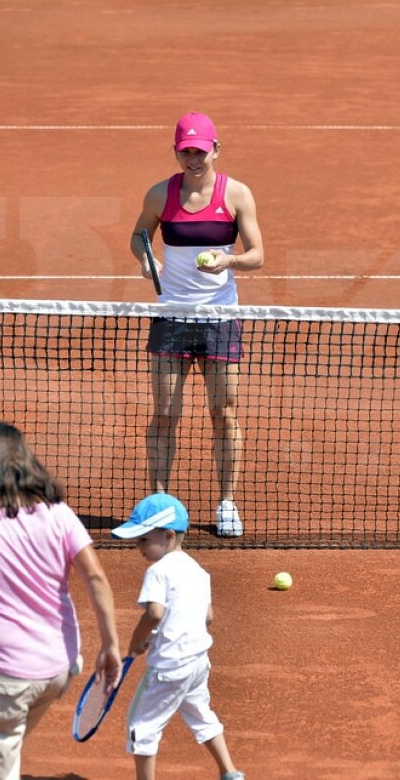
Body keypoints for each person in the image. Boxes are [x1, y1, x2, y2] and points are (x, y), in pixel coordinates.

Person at [0, 421, 123, 780]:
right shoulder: (58, 513)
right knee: (1, 739)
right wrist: (110, 645)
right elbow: (95, 577)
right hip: (59, 669)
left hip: (3, 678)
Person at [130, 111, 265, 539]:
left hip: (220, 319)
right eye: (186, 151)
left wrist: (230, 260)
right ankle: (159, 503)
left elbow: (257, 254)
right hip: (172, 316)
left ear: (215, 150)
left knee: (223, 413)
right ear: (176, 151)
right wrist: (148, 262)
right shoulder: (159, 194)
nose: (193, 159)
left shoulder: (237, 194)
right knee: (165, 415)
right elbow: (139, 236)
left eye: (200, 152)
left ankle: (226, 502)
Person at [112, 493, 245, 780]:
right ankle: (230, 772)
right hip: (198, 663)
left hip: (169, 668)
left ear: (169, 535)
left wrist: (138, 640)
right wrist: (165, 633)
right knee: (202, 716)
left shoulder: (157, 571)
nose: (139, 547)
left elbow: (155, 614)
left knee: (141, 726)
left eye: (144, 540)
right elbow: (208, 617)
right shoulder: (198, 571)